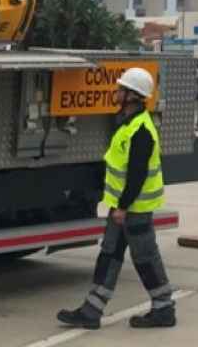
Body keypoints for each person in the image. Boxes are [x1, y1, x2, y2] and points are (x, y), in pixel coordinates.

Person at [57, 67, 177, 331]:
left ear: (133, 96)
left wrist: (123, 206)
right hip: (122, 206)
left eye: (121, 90)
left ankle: (164, 307)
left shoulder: (141, 130)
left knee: (145, 256)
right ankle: (92, 310)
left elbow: (136, 174)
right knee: (109, 254)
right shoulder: (128, 123)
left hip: (134, 207)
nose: (116, 92)